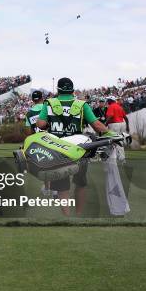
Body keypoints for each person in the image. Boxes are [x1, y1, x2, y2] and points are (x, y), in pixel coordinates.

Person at [36, 77, 113, 216]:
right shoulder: (82, 105)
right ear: (72, 90)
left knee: (61, 186)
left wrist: (49, 124)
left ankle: (67, 216)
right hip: (79, 148)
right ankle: (78, 215)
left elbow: (40, 124)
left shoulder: (49, 103)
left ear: (58, 90)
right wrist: (112, 133)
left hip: (58, 149)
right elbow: (97, 126)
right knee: (80, 183)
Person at [105, 96, 129, 161]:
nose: (107, 101)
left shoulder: (111, 106)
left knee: (112, 140)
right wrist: (127, 127)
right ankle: (122, 158)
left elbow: (110, 116)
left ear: (110, 100)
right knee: (120, 141)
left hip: (114, 124)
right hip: (122, 124)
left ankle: (111, 156)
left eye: (108, 100)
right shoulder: (119, 106)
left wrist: (105, 124)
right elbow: (126, 118)